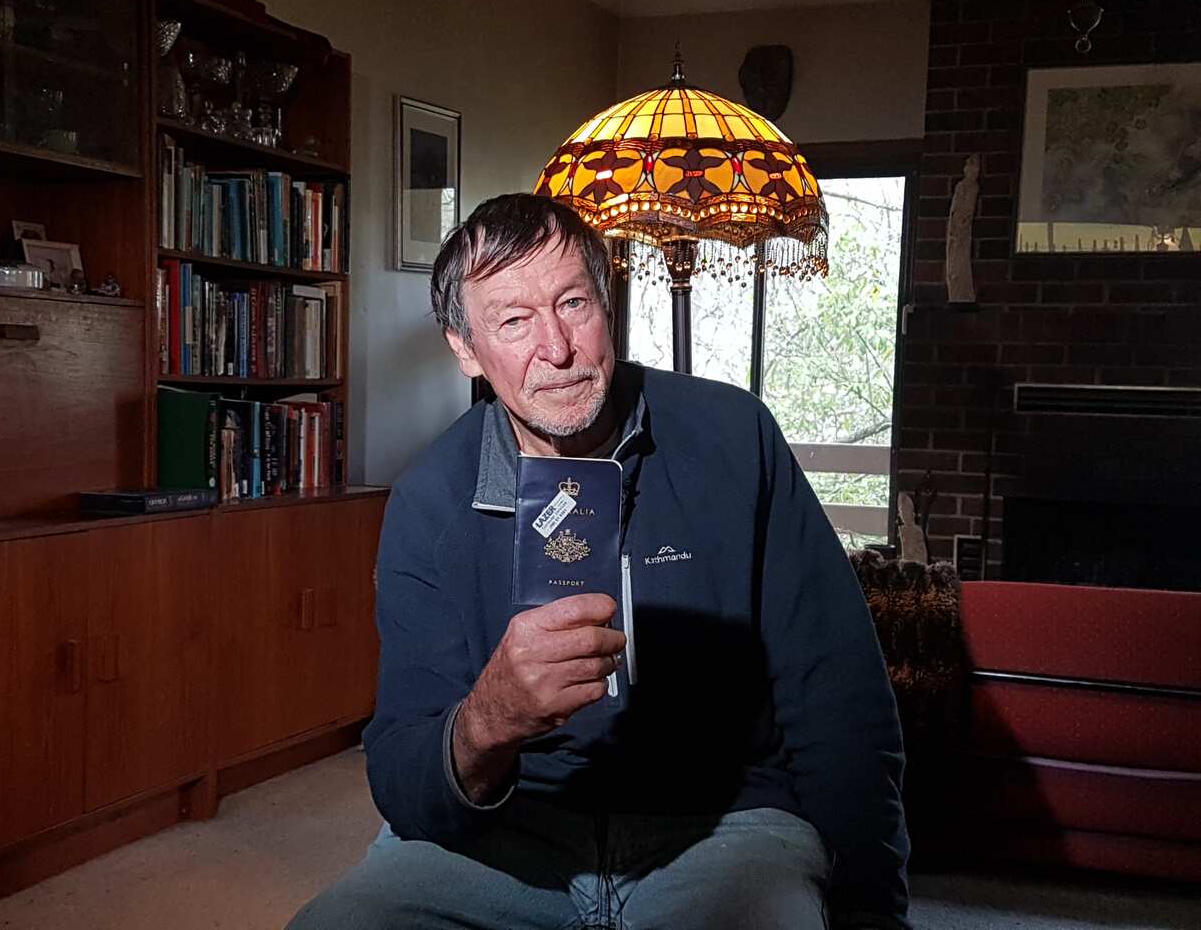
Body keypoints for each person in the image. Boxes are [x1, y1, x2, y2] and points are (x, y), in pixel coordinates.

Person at [287, 193, 910, 930]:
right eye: (513, 321)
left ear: (606, 302)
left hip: (721, 825)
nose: (556, 349)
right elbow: (400, 775)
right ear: (464, 346)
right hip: (511, 830)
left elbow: (838, 695)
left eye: (572, 303)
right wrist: (490, 719)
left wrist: (873, 909)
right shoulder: (429, 498)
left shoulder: (734, 438)